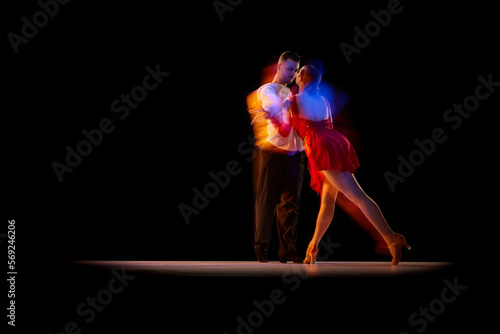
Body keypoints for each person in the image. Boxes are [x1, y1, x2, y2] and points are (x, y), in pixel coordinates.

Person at [269, 64, 411, 265]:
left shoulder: (293, 101)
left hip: (322, 147)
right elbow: (326, 126)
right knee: (327, 201)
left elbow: (285, 132)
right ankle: (313, 246)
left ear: (301, 79)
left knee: (357, 197)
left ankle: (391, 237)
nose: (296, 77)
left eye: (298, 74)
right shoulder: (323, 100)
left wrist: (272, 118)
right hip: (337, 141)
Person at [247, 51, 305, 263]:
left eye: (296, 70)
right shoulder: (268, 89)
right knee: (267, 200)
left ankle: (287, 250)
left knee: (291, 203)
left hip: (295, 153)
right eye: (290, 68)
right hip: (272, 151)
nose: (292, 74)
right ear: (279, 67)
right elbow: (272, 106)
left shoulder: (293, 93)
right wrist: (281, 107)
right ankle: (261, 246)